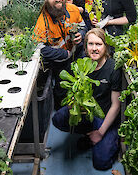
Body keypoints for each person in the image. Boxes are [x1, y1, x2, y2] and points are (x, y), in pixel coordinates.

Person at [52, 28, 122, 170]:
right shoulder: (81, 64)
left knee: (101, 163)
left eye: (99, 44)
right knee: (58, 118)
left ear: (105, 46)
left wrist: (101, 132)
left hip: (106, 117)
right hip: (87, 112)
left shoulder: (113, 68)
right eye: (91, 44)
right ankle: (89, 134)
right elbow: (71, 90)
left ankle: (109, 137)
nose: (94, 48)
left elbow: (116, 105)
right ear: (85, 47)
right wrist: (73, 103)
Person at [33, 0, 87, 108]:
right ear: (46, 0)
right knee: (61, 90)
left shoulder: (73, 9)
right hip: (59, 62)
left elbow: (83, 25)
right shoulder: (42, 22)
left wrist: (81, 34)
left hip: (77, 54)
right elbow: (40, 49)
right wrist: (64, 55)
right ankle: (61, 111)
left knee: (82, 85)